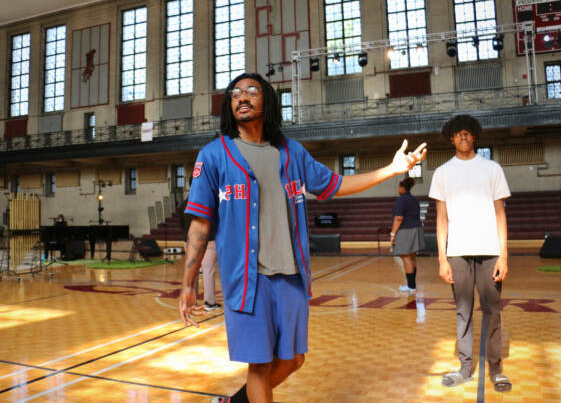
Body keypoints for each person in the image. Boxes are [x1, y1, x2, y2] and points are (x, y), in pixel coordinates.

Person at [178, 72, 427, 403]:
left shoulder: (291, 152)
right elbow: (199, 224)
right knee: (260, 368)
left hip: (292, 278)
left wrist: (390, 170)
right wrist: (187, 284)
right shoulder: (213, 155)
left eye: (251, 90)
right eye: (235, 92)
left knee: (294, 359)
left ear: (267, 99)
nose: (241, 96)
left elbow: (336, 184)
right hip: (248, 282)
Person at [428, 114, 512, 393]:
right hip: (458, 254)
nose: (463, 137)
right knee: (463, 311)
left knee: (492, 312)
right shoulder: (442, 173)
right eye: (458, 133)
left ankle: (496, 369)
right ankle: (465, 367)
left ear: (474, 136)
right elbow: (441, 219)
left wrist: (504, 255)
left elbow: (500, 213)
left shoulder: (492, 169)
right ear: (451, 138)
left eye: (468, 133)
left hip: (490, 251)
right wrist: (442, 258)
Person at [179, 180, 221, 310]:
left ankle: (192, 301)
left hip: (189, 241)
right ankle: (209, 302)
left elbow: (181, 224)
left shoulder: (184, 204)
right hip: (209, 240)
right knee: (208, 271)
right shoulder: (211, 202)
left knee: (194, 270)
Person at [390, 176, 424, 293]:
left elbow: (399, 218)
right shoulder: (414, 199)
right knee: (412, 257)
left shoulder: (401, 199)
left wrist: (393, 234)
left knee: (406, 258)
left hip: (406, 230)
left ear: (401, 187)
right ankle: (412, 285)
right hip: (417, 228)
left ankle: (410, 286)